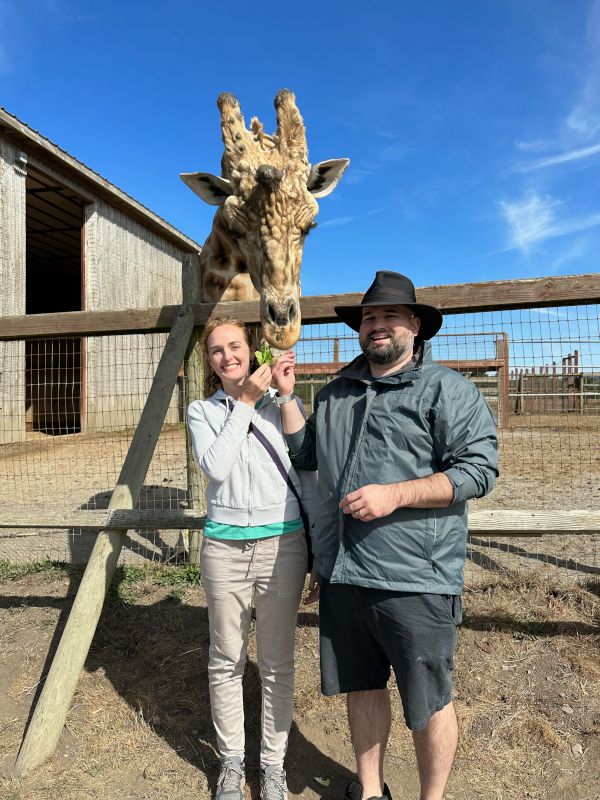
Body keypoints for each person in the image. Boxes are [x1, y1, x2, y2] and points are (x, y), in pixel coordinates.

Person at [271, 271, 499, 800]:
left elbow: (478, 471)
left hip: (415, 576)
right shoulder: (334, 395)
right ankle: (370, 791)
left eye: (390, 316)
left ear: (415, 326)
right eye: (370, 317)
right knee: (362, 687)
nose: (378, 326)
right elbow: (309, 458)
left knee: (430, 700)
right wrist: (287, 398)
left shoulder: (447, 391)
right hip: (344, 572)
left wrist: (395, 495)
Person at [187, 316, 315, 800]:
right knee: (226, 659)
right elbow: (216, 467)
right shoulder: (203, 411)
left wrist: (284, 395)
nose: (227, 356)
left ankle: (273, 765)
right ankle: (232, 764)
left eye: (235, 345)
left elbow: (307, 464)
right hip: (223, 548)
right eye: (217, 350)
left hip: (282, 547)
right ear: (210, 361)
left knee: (278, 663)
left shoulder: (278, 404)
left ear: (252, 348)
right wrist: (242, 404)